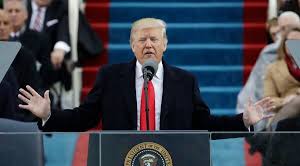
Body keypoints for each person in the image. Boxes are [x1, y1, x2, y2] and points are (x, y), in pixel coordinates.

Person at [18, 18, 274, 132]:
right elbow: (85, 118)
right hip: (122, 158)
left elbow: (203, 122)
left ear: (165, 45)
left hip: (173, 159)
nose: (148, 44)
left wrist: (243, 120)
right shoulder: (110, 77)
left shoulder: (185, 81)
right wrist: (49, 115)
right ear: (132, 45)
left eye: (154, 39)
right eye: (142, 39)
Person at [236, 11, 300, 117]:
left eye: (284, 28)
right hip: (280, 111)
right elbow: (263, 94)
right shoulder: (270, 57)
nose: (280, 34)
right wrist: (285, 101)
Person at [3, 0, 53, 90]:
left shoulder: (39, 39)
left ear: (26, 14)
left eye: (17, 11)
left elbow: (46, 71)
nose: (13, 14)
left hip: (31, 89)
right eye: (9, 11)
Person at [264, 27, 300, 127]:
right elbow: (268, 101)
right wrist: (285, 101)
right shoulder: (273, 68)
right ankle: (271, 131)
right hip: (283, 112)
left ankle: (266, 135)